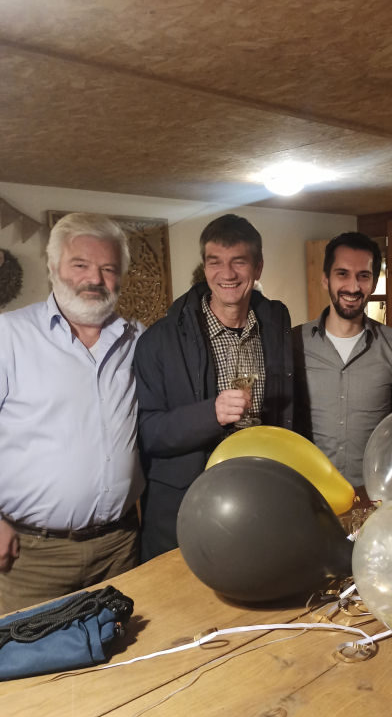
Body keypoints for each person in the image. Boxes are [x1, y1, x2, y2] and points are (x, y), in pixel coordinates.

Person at [0, 213, 143, 615]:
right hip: (31, 557)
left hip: (120, 547)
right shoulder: (9, 336)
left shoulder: (138, 340)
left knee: (127, 647)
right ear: (53, 267)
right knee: (31, 653)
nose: (94, 279)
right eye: (80, 264)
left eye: (108, 268)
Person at [134, 213, 293, 562]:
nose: (227, 273)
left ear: (258, 267)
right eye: (215, 261)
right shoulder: (159, 340)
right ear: (205, 267)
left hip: (258, 499)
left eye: (239, 261)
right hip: (187, 510)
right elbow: (147, 433)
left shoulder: (275, 324)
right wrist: (211, 414)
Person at [293, 232, 392, 487]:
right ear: (325, 279)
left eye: (363, 276)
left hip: (371, 492)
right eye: (342, 274)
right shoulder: (294, 343)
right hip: (308, 489)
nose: (353, 287)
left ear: (373, 283)